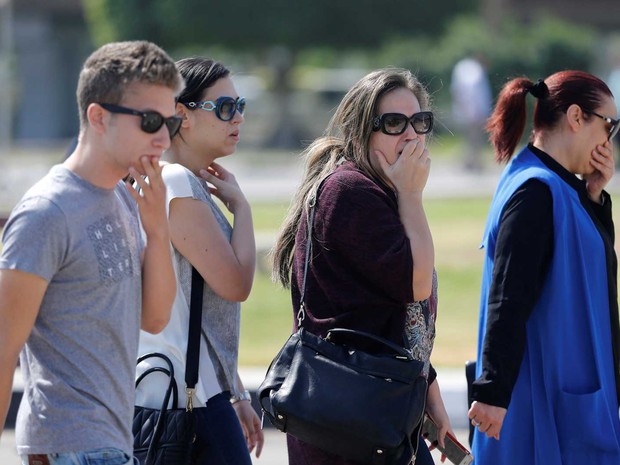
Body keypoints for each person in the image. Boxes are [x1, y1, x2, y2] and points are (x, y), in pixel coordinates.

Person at [0, 40, 181, 464]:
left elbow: (154, 317)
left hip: (111, 444)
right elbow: (4, 347)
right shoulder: (47, 211)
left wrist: (157, 228)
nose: (162, 139)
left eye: (170, 124)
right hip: (70, 446)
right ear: (98, 117)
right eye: (150, 121)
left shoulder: (123, 198)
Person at [271, 68, 453, 465]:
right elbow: (415, 284)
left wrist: (430, 394)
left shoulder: (372, 191)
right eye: (392, 123)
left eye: (419, 122)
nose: (411, 135)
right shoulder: (350, 191)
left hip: (373, 412)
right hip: (347, 420)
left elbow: (399, 314)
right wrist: (412, 195)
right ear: (361, 131)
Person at [468, 71, 620, 464]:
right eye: (608, 124)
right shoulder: (536, 190)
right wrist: (492, 393)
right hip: (539, 404)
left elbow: (587, 264)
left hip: (563, 397)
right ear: (575, 117)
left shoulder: (555, 184)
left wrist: (595, 198)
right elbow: (509, 296)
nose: (609, 140)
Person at [135, 57, 264, 464]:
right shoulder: (176, 183)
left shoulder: (173, 180)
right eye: (225, 108)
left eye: (240, 106)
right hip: (189, 397)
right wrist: (241, 208)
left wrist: (237, 390)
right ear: (181, 114)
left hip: (193, 388)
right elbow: (236, 285)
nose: (237, 118)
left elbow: (198, 309)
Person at [450, 55, 493, 171]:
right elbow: (473, 93)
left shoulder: (465, 69)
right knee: (475, 139)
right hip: (475, 113)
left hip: (466, 112)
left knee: (470, 139)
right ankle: (473, 162)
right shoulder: (476, 73)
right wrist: (474, 112)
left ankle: (470, 162)